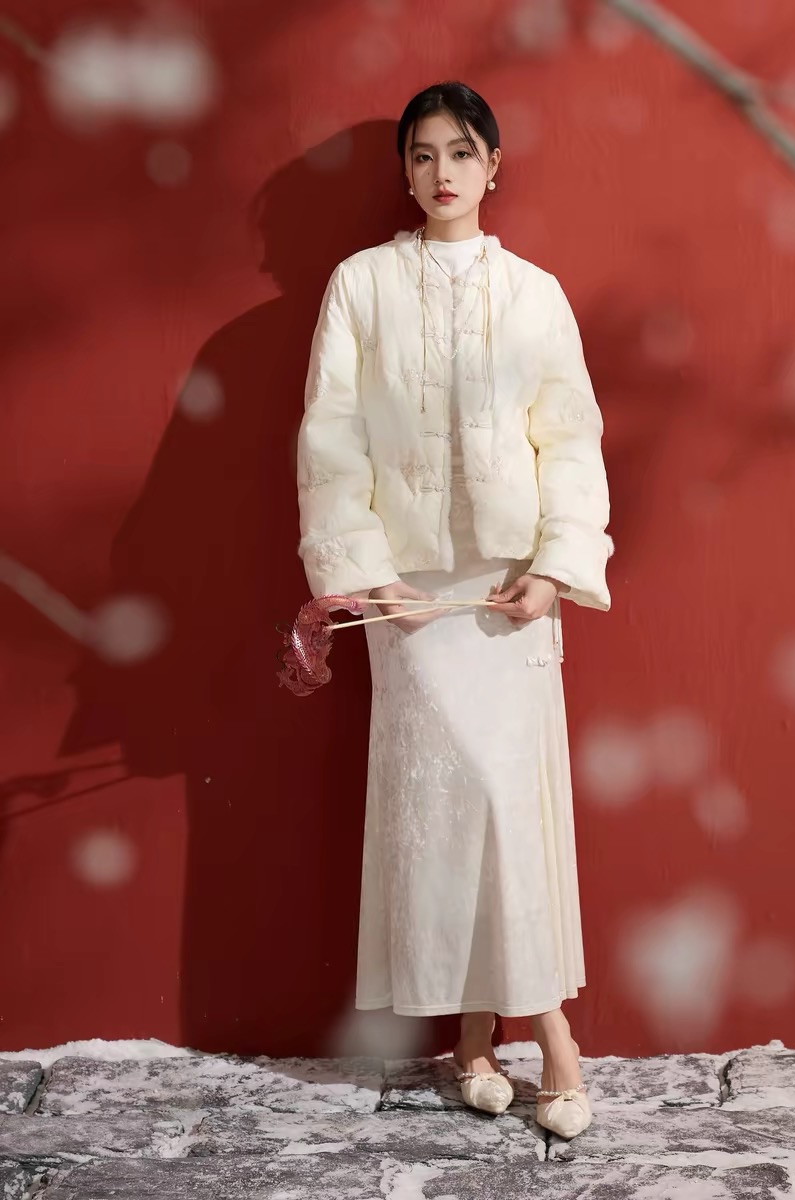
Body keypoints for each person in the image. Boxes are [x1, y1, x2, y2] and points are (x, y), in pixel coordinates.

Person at [296, 81, 613, 1140]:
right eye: (424, 154)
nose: (443, 173)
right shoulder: (361, 285)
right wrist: (368, 575)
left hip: (510, 590)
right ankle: (528, 1035)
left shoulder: (534, 294)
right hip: (411, 597)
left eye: (462, 152)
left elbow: (570, 439)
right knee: (452, 810)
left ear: (493, 167)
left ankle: (505, 1033)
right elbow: (330, 437)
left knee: (510, 805)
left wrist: (557, 569)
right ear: (405, 170)